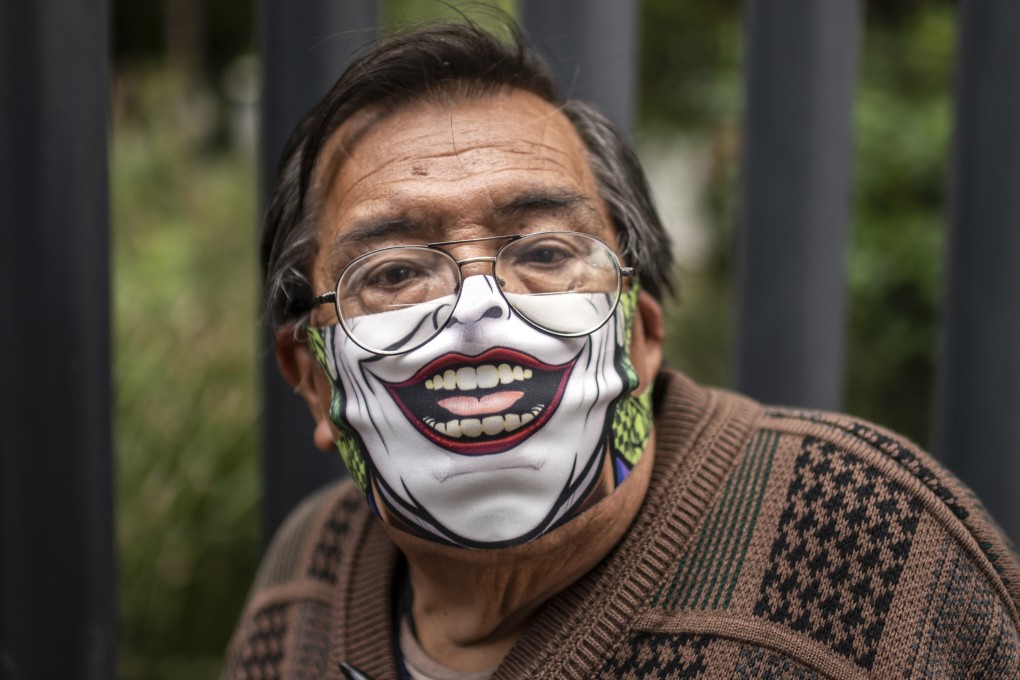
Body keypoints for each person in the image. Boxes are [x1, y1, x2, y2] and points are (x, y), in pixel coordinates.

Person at [226, 20, 1020, 679]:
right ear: (314, 381)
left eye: (542, 253)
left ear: (640, 339)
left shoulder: (866, 546)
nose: (475, 309)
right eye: (396, 271)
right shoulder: (305, 587)